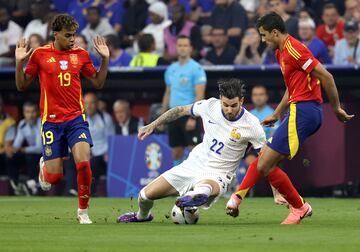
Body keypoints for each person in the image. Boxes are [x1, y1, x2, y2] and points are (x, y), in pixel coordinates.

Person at [226, 12, 354, 225]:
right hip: (298, 110)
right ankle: (241, 199)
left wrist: (336, 108)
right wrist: (276, 114)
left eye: (264, 35)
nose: (263, 40)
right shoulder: (280, 52)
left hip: (305, 112)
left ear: (275, 32)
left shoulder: (295, 49)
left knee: (265, 164)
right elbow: (292, 87)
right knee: (264, 160)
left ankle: (298, 207)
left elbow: (327, 77)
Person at [117, 78, 300, 223]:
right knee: (145, 195)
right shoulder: (209, 106)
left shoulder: (252, 125)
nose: (229, 110)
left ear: (242, 101)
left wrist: (276, 192)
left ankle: (192, 200)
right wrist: (153, 124)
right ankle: (144, 216)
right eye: (225, 105)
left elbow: (265, 162)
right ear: (220, 100)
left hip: (220, 174)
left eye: (234, 105)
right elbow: (181, 110)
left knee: (203, 189)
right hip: (193, 164)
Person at [15, 14, 110, 224]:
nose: (72, 39)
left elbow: (97, 83)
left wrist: (104, 60)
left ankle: (83, 212)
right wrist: (18, 63)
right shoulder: (39, 54)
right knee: (55, 177)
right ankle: (45, 168)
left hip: (76, 119)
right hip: (51, 122)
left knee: (84, 163)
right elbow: (22, 86)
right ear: (55, 34)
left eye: (74, 35)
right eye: (68, 35)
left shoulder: (81, 54)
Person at [162, 35, 206, 166]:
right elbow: (168, 92)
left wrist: (193, 118)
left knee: (194, 151)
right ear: (176, 48)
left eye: (185, 45)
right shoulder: (171, 69)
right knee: (176, 151)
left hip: (188, 114)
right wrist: (163, 115)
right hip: (173, 114)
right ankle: (178, 184)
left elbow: (200, 94)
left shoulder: (197, 69)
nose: (182, 48)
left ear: (190, 49)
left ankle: (196, 182)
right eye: (180, 45)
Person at [6, 101, 42, 196]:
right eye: (27, 112)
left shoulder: (42, 124)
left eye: (33, 112)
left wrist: (23, 149)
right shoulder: (22, 124)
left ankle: (32, 186)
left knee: (30, 156)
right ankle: (15, 184)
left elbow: (40, 148)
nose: (30, 115)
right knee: (11, 157)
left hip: (45, 155)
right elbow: (17, 145)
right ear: (24, 113)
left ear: (38, 112)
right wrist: (12, 149)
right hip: (30, 153)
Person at [84, 93, 115, 195]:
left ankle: (92, 192)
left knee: (95, 161)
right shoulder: (78, 119)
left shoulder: (105, 118)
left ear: (97, 104)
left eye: (92, 103)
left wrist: (106, 152)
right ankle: (73, 190)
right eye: (86, 103)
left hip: (102, 152)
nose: (88, 106)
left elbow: (110, 139)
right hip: (84, 151)